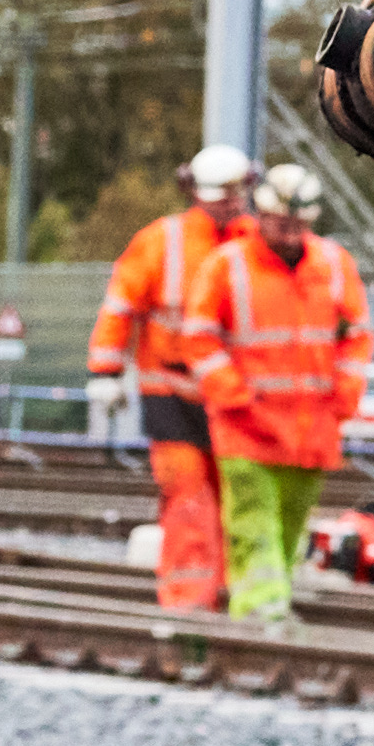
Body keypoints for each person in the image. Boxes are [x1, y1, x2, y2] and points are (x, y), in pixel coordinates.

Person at [206, 160, 374, 621]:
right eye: (282, 223)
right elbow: (199, 339)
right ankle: (262, 610)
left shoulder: (335, 265)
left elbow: (357, 335)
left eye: (299, 224)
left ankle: (267, 600)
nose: (290, 233)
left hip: (312, 428)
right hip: (247, 430)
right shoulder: (227, 266)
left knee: (289, 527)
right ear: (260, 216)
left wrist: (345, 394)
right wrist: (235, 396)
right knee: (253, 523)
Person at [94, 145, 252, 612]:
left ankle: (224, 594)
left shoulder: (254, 245)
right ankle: (187, 599)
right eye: (220, 194)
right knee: (188, 497)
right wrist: (104, 369)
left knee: (234, 498)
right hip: (170, 391)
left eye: (233, 193)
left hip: (232, 396)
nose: (228, 203)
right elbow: (120, 306)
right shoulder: (163, 241)